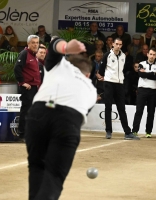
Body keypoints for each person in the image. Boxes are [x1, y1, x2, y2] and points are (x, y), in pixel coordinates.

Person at [25, 37, 96, 200]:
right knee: (54, 176)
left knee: (36, 167)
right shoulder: (91, 90)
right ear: (88, 74)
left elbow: (54, 43)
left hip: (38, 113)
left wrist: (66, 48)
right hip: (68, 120)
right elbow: (81, 114)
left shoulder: (60, 65)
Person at [97, 38, 139, 140]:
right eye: (116, 44)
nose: (118, 46)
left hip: (120, 84)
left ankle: (127, 132)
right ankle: (108, 131)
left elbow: (123, 69)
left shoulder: (123, 56)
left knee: (121, 108)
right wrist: (104, 76)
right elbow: (102, 69)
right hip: (109, 83)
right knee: (108, 107)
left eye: (120, 44)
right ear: (112, 44)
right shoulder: (107, 55)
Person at [14, 35, 41, 141]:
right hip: (28, 88)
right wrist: (22, 82)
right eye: (33, 42)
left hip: (34, 87)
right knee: (26, 110)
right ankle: (22, 134)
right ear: (28, 44)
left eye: (37, 42)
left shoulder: (34, 55)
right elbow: (17, 68)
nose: (35, 44)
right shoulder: (25, 53)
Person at [132, 48, 156, 138]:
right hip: (142, 90)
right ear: (147, 54)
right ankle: (134, 131)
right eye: (151, 54)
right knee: (139, 111)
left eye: (154, 54)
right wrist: (153, 74)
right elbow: (141, 75)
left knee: (151, 112)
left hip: (153, 90)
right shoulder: (141, 64)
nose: (152, 56)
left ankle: (148, 131)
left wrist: (147, 74)